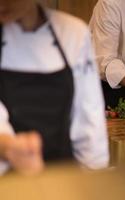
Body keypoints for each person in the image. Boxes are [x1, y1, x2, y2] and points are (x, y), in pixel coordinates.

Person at [0, 0, 109, 175]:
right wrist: (8, 147)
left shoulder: (73, 33)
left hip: (65, 176)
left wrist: (93, 181)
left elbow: (89, 118)